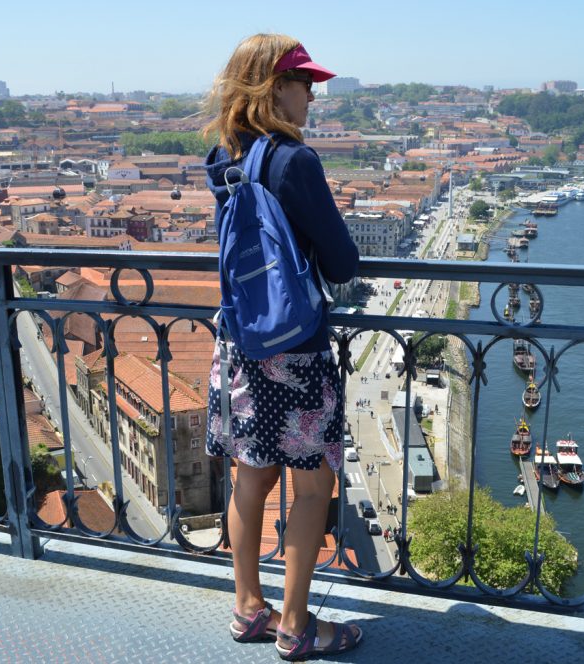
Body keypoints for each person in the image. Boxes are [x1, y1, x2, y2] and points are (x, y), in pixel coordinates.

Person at [203, 33, 363, 661]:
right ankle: (298, 626)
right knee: (313, 486)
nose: (313, 96)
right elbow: (342, 260)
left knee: (251, 478)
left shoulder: (224, 156)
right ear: (275, 87)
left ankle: (248, 609)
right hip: (296, 348)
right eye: (306, 84)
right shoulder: (295, 162)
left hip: (242, 342)